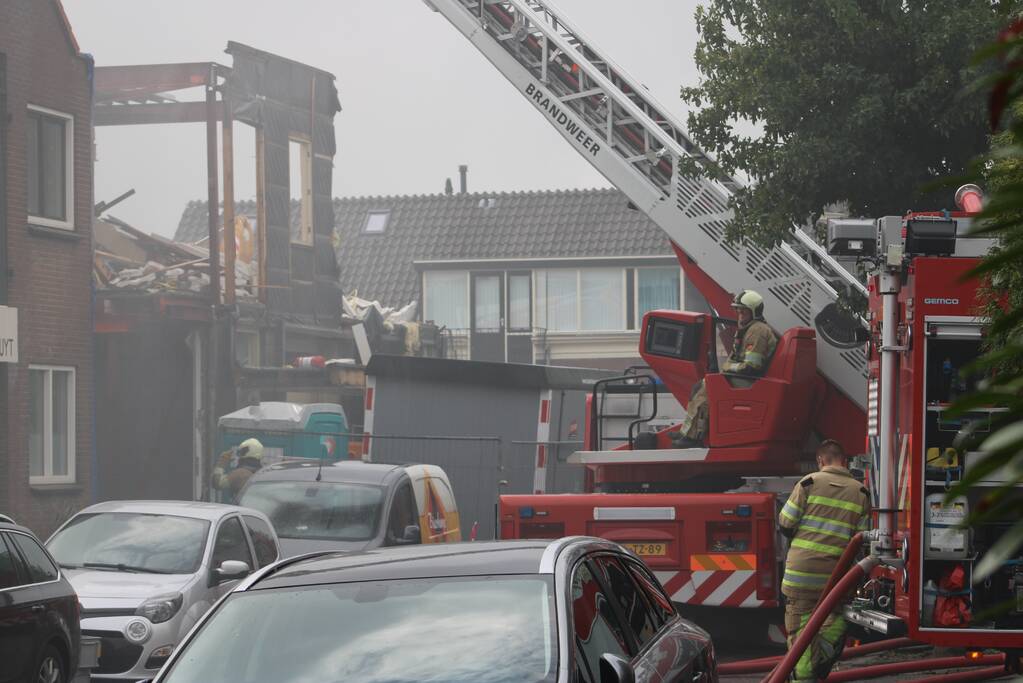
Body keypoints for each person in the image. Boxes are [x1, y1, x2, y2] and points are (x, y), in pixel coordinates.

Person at [778, 439, 871, 682]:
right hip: (836, 579)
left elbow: (786, 523)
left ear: (820, 460)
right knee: (835, 622)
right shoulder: (861, 492)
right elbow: (861, 540)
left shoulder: (808, 483)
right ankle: (816, 666)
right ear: (844, 460)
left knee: (801, 637)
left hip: (800, 575)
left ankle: (805, 676)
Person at [673, 289, 779, 447]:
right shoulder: (747, 329)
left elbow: (751, 366)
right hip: (745, 377)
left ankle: (694, 436)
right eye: (738, 311)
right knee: (700, 387)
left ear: (755, 312)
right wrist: (727, 369)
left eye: (744, 311)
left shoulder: (758, 331)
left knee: (707, 388)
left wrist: (728, 368)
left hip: (751, 380)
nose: (740, 315)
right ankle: (687, 431)